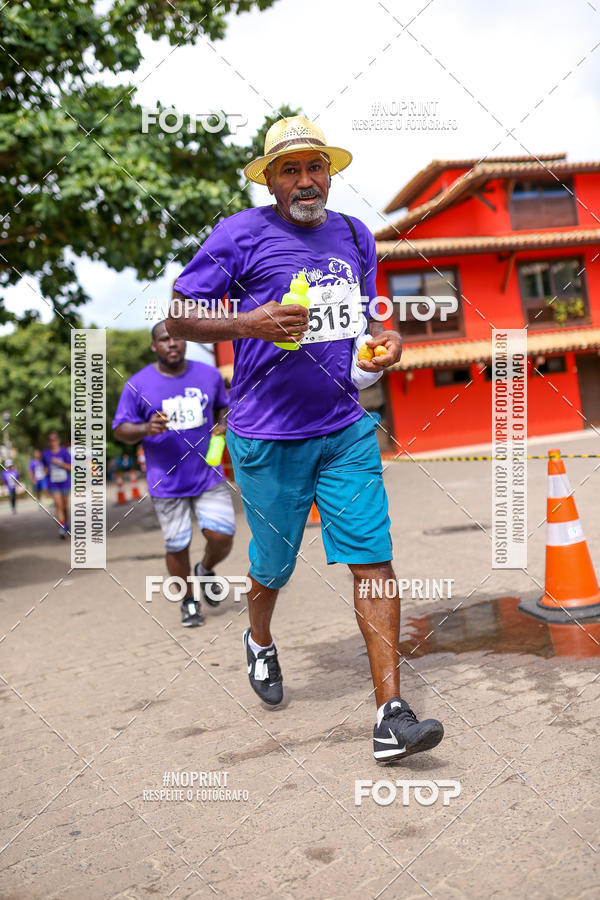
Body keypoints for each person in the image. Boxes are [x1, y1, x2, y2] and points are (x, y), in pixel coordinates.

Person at [167, 116, 444, 762]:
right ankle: (259, 638)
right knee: (273, 567)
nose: (305, 180)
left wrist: (389, 338)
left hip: (345, 426)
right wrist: (250, 321)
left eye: (314, 166)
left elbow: (373, 308)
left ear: (329, 171)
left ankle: (390, 715)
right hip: (266, 436)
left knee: (373, 557)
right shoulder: (240, 234)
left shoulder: (352, 234)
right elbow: (180, 311)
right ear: (269, 180)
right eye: (288, 170)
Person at [112, 320, 235, 627]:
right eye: (164, 340)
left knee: (221, 536)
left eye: (177, 338)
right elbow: (120, 429)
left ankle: (205, 569)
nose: (172, 343)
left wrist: (223, 424)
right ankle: (188, 601)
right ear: (154, 346)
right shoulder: (137, 384)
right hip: (165, 480)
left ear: (185, 342)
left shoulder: (208, 375)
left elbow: (223, 407)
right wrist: (145, 428)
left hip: (208, 472)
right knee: (176, 544)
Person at [42, 432, 71, 538]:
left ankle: (65, 524)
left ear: (58, 440)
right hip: (53, 483)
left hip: (65, 482)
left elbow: (71, 467)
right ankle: (62, 528)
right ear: (48, 442)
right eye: (50, 440)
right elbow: (44, 468)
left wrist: (59, 463)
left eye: (54, 439)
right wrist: (45, 473)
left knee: (64, 507)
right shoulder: (45, 454)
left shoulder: (64, 452)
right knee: (58, 506)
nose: (52, 442)